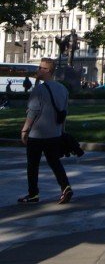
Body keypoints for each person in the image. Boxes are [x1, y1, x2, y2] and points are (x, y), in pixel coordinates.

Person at [18, 58, 73, 205]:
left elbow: (33, 112)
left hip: (37, 133)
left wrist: (25, 130)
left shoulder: (39, 89)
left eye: (41, 68)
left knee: (33, 164)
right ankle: (66, 187)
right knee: (55, 162)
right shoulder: (63, 89)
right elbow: (64, 113)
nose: (38, 70)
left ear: (48, 71)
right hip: (54, 133)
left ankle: (33, 194)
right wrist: (62, 131)